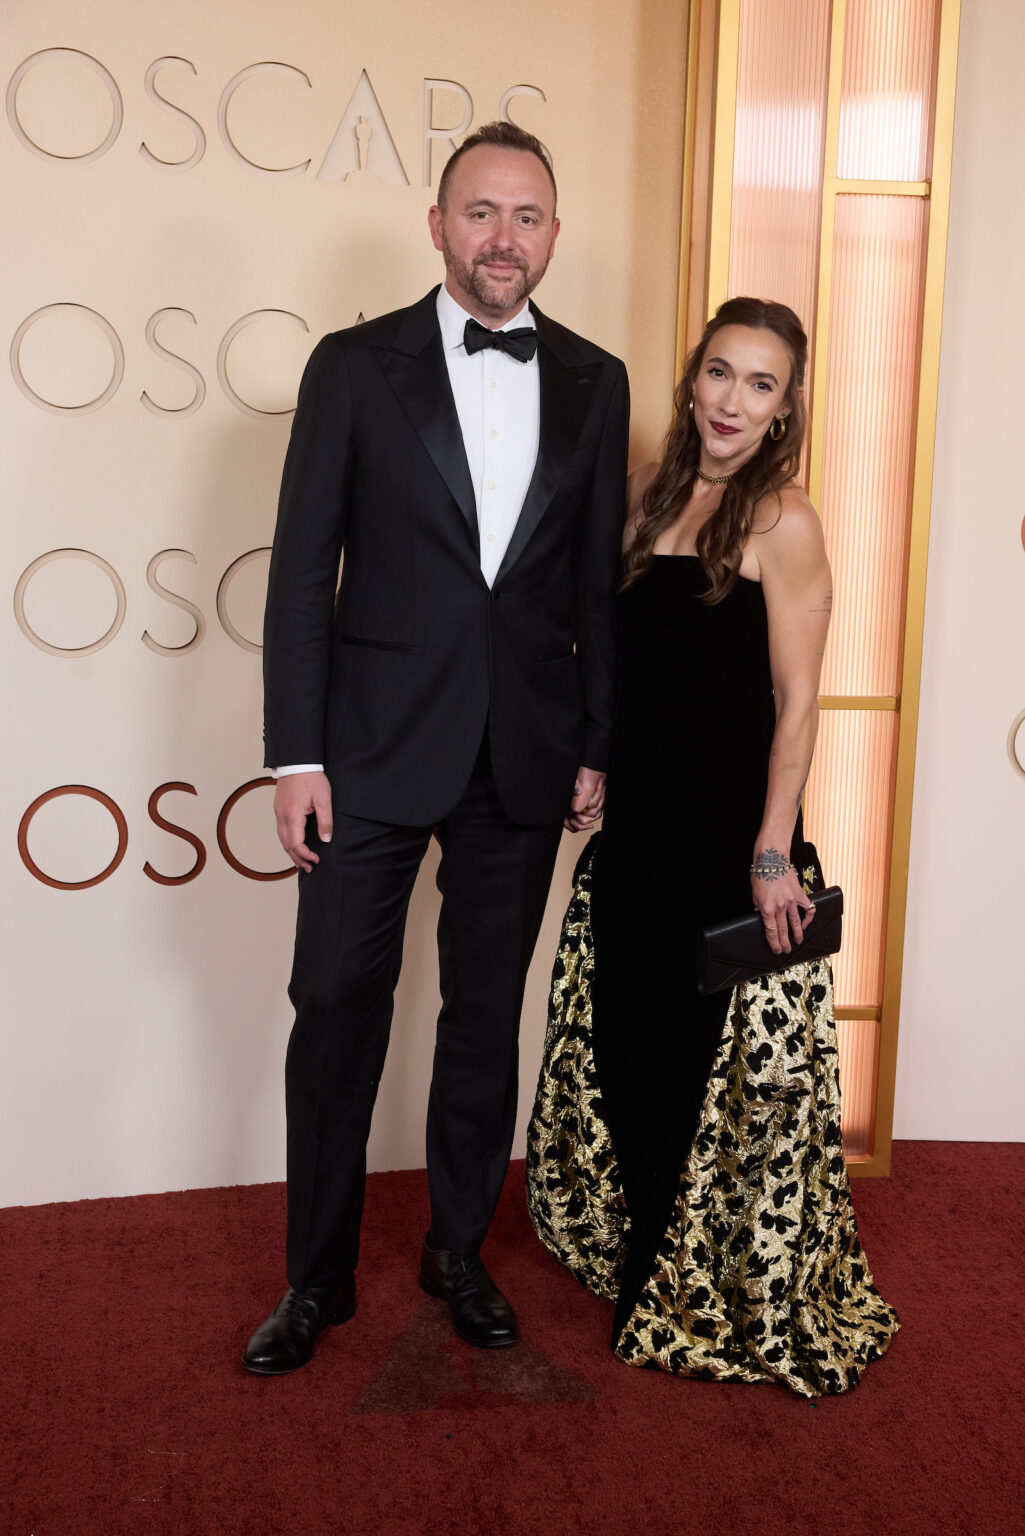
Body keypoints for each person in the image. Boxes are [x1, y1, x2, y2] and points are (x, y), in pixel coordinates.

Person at [242, 122, 629, 1375]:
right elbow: (302, 574)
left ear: (552, 235)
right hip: (365, 752)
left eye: (526, 216)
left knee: (480, 1018)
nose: (502, 238)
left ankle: (457, 1250)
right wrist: (295, 757)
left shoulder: (596, 378)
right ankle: (315, 1280)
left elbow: (591, 586)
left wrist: (596, 740)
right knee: (334, 1004)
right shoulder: (354, 366)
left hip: (521, 752)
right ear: (437, 226)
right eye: (479, 212)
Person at [526, 297, 899, 1397]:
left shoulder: (783, 521)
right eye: (720, 372)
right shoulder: (642, 494)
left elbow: (796, 702)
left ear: (784, 408)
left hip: (731, 837)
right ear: (693, 377)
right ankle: (652, 1254)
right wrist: (590, 761)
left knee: (714, 1072)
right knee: (627, 1045)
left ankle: (693, 1287)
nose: (732, 400)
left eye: (760, 384)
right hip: (636, 826)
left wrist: (773, 851)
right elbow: (607, 660)